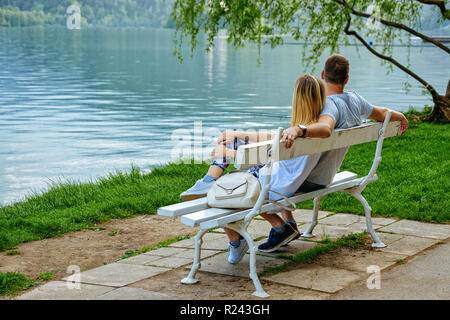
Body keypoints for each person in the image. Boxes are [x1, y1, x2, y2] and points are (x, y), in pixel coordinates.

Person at [180, 54, 409, 263]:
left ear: (323, 75)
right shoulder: (353, 101)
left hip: (294, 180)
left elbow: (321, 131)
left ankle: (241, 216)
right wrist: (401, 118)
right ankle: (276, 220)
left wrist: (231, 153)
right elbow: (382, 114)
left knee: (228, 187)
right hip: (316, 174)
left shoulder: (321, 115)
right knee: (240, 147)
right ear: (347, 78)